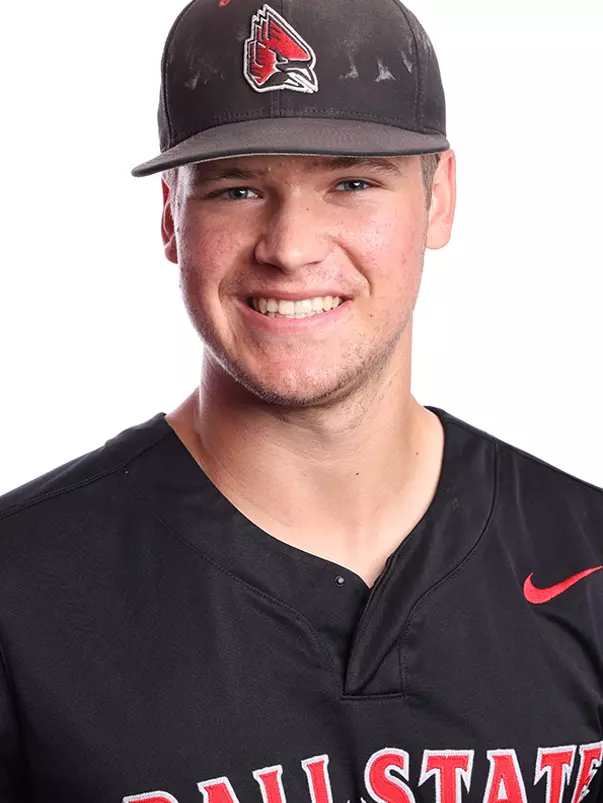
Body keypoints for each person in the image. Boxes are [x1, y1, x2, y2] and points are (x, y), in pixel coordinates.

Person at [0, 0, 602, 800]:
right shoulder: (22, 595)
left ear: (439, 199)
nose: (289, 248)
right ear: (170, 217)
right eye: (238, 189)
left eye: (351, 183)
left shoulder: (585, 559)